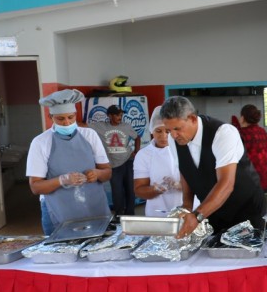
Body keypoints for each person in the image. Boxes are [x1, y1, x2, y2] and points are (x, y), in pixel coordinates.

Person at [159, 96, 267, 238]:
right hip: (212, 210)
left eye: (177, 128)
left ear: (192, 119)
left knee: (249, 249)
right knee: (214, 249)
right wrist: (187, 207)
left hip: (246, 210)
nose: (173, 135)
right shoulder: (175, 140)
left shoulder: (223, 133)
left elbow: (226, 184)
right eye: (169, 130)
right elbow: (186, 171)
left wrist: (197, 216)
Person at [27, 89, 112, 234]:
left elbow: (107, 172)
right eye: (60, 119)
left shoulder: (89, 135)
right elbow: (36, 187)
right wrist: (62, 180)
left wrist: (97, 174)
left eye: (71, 117)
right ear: (50, 117)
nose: (67, 123)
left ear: (75, 114)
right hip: (58, 209)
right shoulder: (41, 142)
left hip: (92, 205)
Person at [133, 106, 186, 216]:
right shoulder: (144, 155)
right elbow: (139, 190)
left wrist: (181, 186)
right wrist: (154, 190)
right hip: (157, 213)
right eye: (158, 131)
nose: (163, 136)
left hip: (187, 211)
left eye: (168, 131)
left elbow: (201, 184)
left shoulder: (186, 149)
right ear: (152, 130)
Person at [90, 105, 140, 216]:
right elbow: (84, 125)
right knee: (117, 191)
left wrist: (137, 151)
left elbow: (137, 137)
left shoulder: (126, 126)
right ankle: (119, 214)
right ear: (109, 115)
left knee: (130, 188)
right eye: (117, 115)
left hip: (128, 161)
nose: (120, 117)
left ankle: (130, 214)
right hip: (113, 165)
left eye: (121, 115)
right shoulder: (101, 126)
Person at [231, 104, 267, 192]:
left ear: (242, 118)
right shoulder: (263, 132)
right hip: (264, 181)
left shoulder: (240, 134)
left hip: (246, 183)